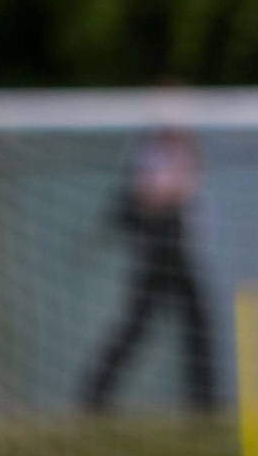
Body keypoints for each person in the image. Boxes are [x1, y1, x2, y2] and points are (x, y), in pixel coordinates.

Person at [81, 126, 216, 414]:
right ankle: (95, 394)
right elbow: (148, 197)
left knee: (197, 325)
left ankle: (204, 402)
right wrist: (174, 187)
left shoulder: (187, 152)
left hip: (181, 250)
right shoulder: (151, 154)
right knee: (137, 328)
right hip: (159, 252)